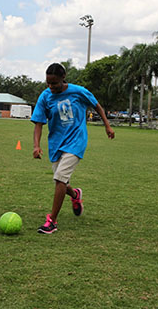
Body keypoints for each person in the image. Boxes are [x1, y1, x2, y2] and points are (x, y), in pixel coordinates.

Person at [31, 62, 115, 234]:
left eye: (54, 83)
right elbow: (39, 123)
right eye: (48, 83)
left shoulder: (78, 91)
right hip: (56, 143)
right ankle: (75, 195)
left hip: (76, 140)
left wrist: (107, 125)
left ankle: (52, 221)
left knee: (60, 179)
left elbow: (97, 105)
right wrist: (36, 145)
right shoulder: (45, 96)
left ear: (63, 78)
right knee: (60, 181)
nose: (51, 86)